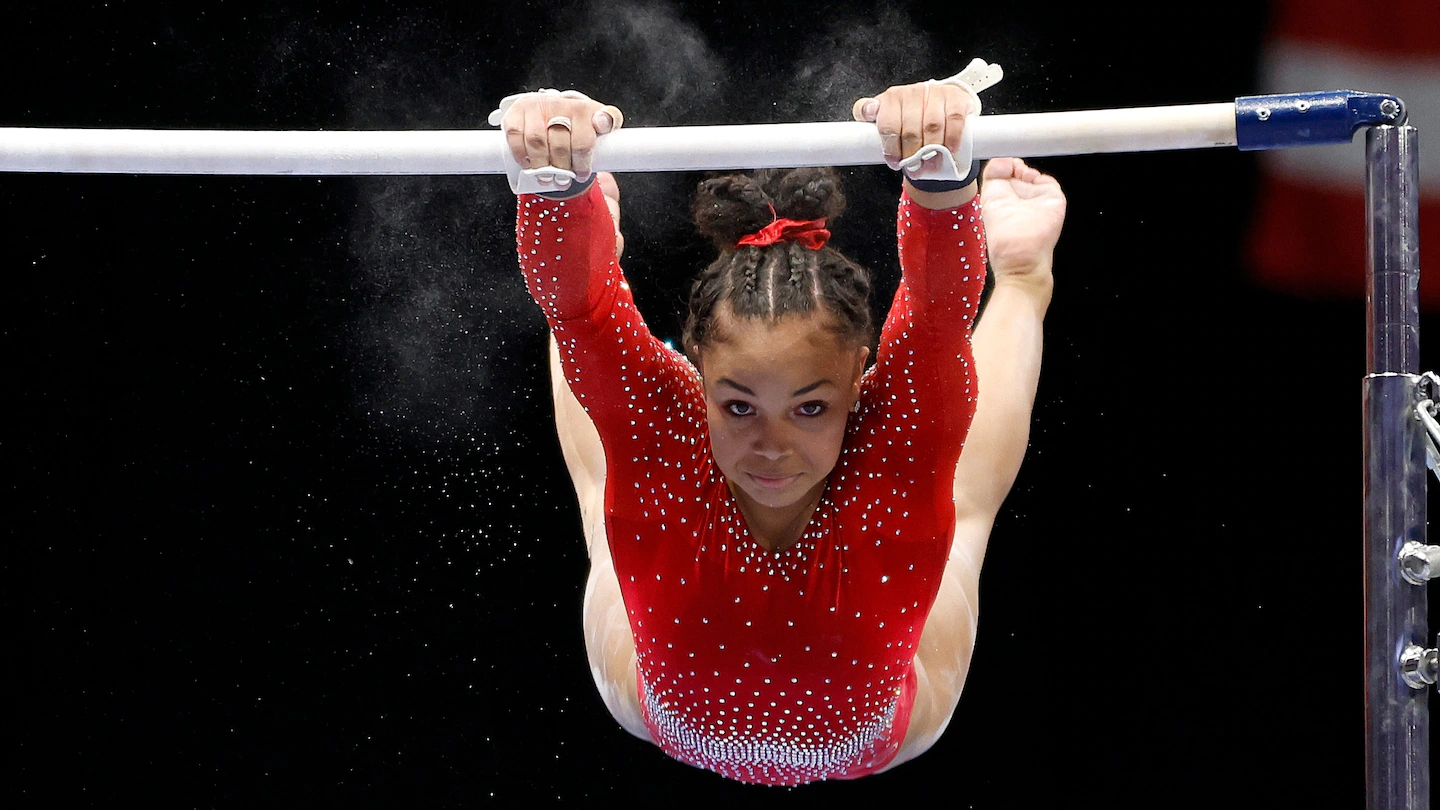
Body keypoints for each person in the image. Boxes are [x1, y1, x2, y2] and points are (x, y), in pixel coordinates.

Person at [502, 79, 1066, 785]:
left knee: (963, 502)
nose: (772, 445)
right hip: (671, 702)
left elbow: (937, 318)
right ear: (700, 374)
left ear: (859, 382)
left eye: (809, 408)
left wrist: (942, 177)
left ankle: (1019, 271)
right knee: (609, 452)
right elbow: (580, 315)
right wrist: (554, 182)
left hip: (871, 728)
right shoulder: (675, 433)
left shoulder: (882, 449)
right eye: (739, 406)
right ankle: (593, 238)